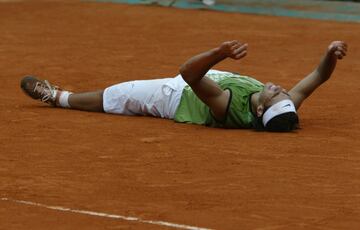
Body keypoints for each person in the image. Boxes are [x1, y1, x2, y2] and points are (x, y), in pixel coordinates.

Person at [20, 40, 347, 132]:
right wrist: (330, 53)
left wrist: (218, 54)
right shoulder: (282, 108)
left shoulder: (227, 105)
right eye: (283, 92)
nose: (280, 88)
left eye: (275, 93)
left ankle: (59, 98)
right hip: (206, 82)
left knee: (119, 95)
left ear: (259, 109)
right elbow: (317, 78)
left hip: (176, 96)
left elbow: (188, 74)